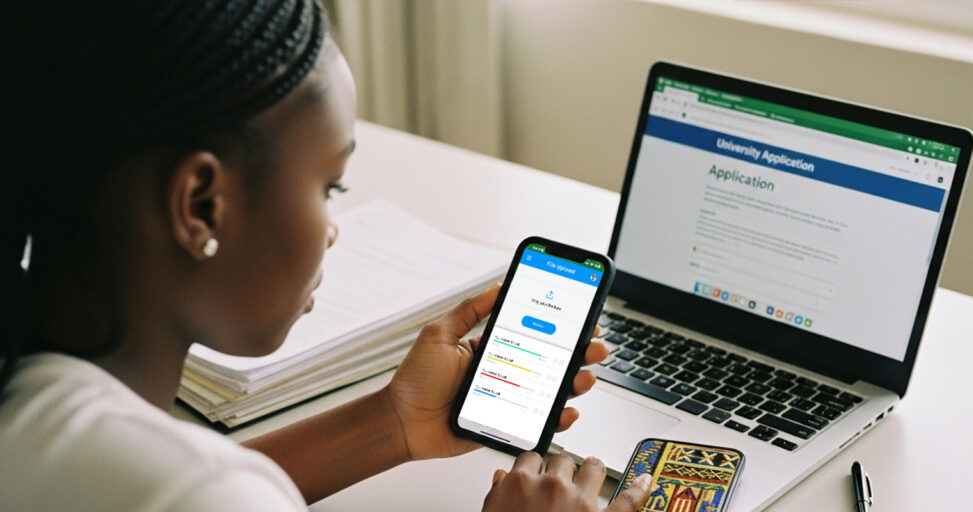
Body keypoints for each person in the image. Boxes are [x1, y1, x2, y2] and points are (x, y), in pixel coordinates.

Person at [0, 2, 654, 510]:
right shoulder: (197, 491)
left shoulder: (34, 403)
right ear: (201, 205)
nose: (333, 226)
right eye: (329, 185)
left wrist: (393, 424)